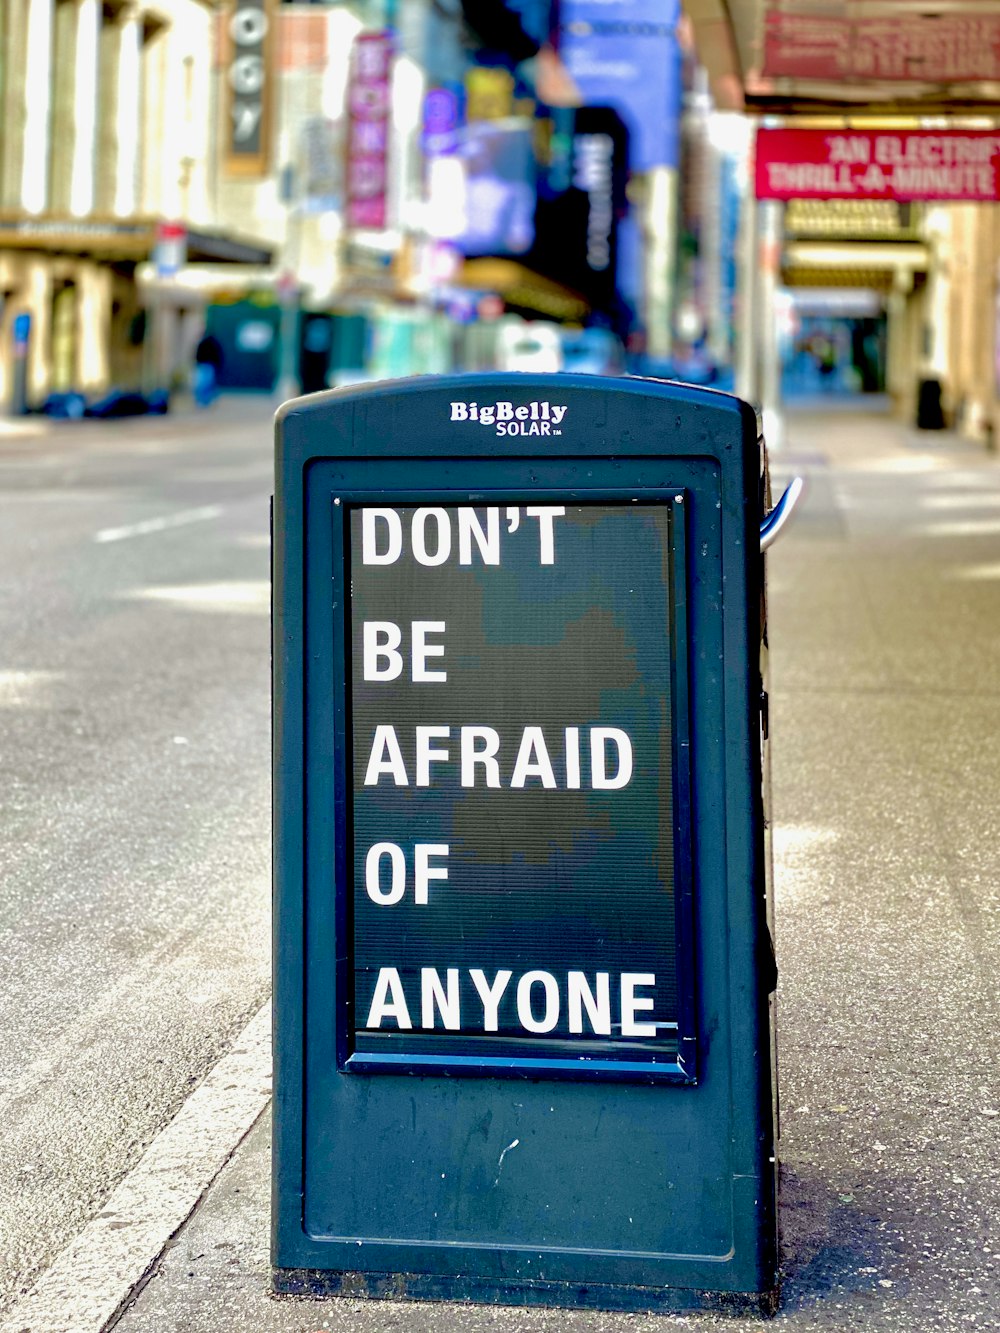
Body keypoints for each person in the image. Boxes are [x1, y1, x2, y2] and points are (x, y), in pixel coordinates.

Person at [192, 333, 223, 407]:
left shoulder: (203, 343)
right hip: (207, 365)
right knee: (205, 384)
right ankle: (204, 400)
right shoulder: (213, 344)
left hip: (205, 365)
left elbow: (197, 354)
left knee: (203, 384)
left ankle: (203, 401)